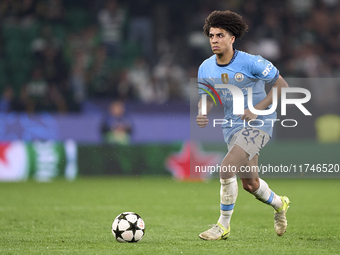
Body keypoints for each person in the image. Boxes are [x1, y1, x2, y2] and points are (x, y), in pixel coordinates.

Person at [196, 10, 290, 240]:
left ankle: (222, 225)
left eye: (220, 35)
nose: (214, 40)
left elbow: (282, 86)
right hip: (232, 126)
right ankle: (280, 205)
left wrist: (256, 109)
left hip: (260, 122)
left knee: (226, 167)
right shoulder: (205, 67)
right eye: (211, 36)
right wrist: (203, 112)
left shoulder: (252, 61)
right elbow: (207, 97)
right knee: (250, 184)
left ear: (232, 38)